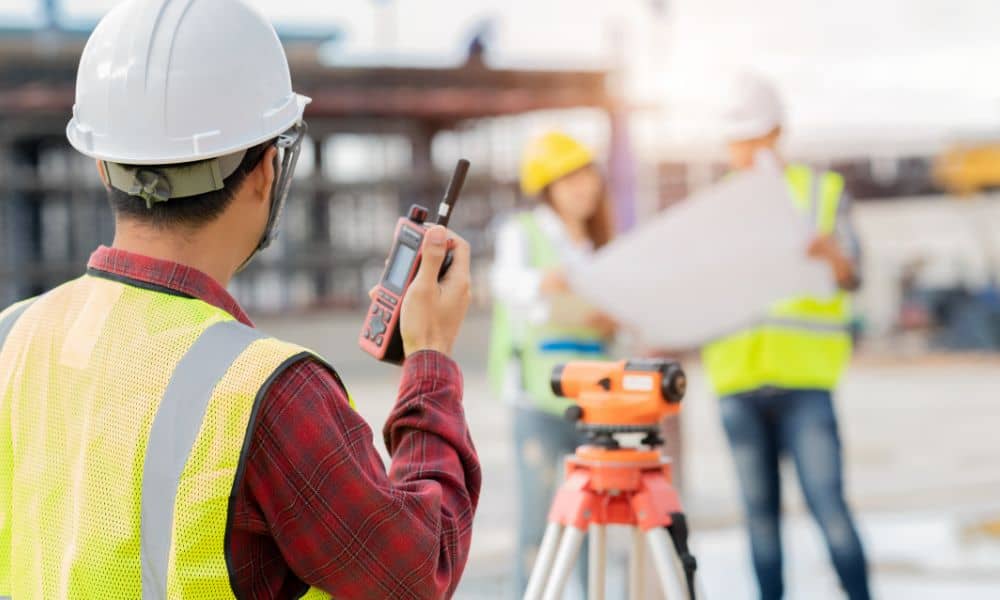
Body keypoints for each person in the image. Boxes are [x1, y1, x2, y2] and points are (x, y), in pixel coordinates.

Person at [0, 1, 480, 598]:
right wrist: (429, 358)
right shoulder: (267, 391)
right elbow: (415, 572)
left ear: (102, 165)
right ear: (265, 172)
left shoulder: (11, 337)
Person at [702, 71, 871, 600]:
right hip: (737, 384)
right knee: (760, 522)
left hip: (805, 382)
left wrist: (833, 256)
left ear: (778, 134)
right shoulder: (717, 205)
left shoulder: (822, 194)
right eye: (738, 141)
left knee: (830, 509)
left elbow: (855, 274)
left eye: (755, 138)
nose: (746, 151)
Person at [488, 131, 617, 597]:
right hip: (537, 401)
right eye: (570, 179)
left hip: (592, 399)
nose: (584, 187)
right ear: (548, 186)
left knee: (591, 523)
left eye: (587, 176)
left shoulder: (598, 245)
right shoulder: (522, 234)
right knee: (537, 526)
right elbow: (507, 284)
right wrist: (549, 281)